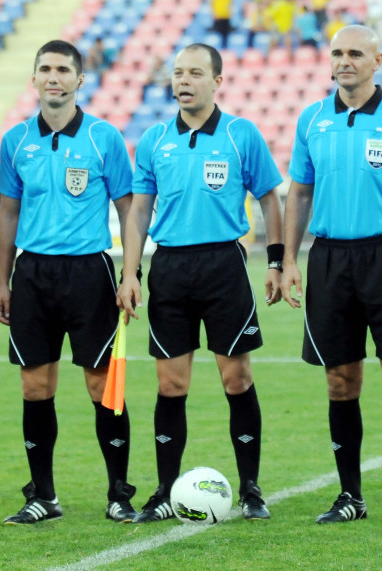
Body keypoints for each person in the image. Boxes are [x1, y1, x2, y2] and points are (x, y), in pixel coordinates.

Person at [281, 25, 382, 526]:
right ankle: (350, 495)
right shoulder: (312, 119)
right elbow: (300, 195)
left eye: (356, 53)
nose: (345, 61)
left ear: (378, 60)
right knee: (339, 380)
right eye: (337, 53)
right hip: (329, 259)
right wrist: (287, 259)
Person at [116, 43, 284, 523]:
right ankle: (166, 490)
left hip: (224, 265)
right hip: (169, 267)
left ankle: (251, 488)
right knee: (170, 383)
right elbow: (139, 212)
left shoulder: (239, 134)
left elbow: (270, 199)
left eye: (194, 73)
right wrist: (131, 273)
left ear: (217, 81)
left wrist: (275, 260)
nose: (183, 80)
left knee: (237, 377)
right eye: (177, 73)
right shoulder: (153, 139)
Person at [0, 40, 139, 525]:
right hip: (32, 273)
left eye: (62, 70)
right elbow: (8, 214)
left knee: (104, 387)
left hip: (89, 272)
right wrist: (3, 281)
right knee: (35, 386)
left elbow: (128, 209)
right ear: (34, 78)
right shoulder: (15, 141)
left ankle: (119, 493)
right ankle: (44, 496)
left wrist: (130, 272)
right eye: (45, 69)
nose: (52, 77)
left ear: (80, 80)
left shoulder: (104, 138)